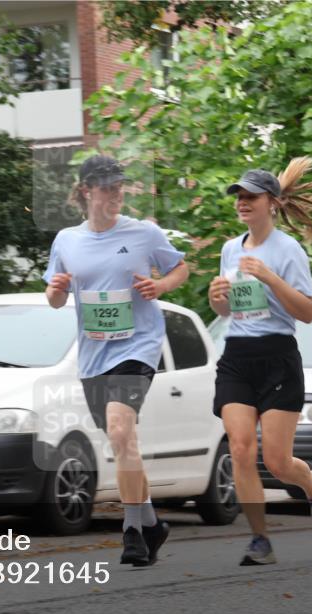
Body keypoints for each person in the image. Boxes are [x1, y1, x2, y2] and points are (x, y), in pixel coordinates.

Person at [44, 155, 189, 566]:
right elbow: (55, 300)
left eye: (119, 186)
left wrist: (160, 284)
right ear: (86, 190)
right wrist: (56, 289)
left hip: (137, 346)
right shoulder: (67, 241)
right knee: (123, 442)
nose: (115, 194)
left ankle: (130, 533)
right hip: (93, 356)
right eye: (107, 187)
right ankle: (152, 524)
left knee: (120, 428)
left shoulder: (144, 233)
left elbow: (181, 268)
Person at [208, 157, 312, 565]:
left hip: (278, 356)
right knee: (241, 449)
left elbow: (306, 312)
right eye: (239, 197)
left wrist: (269, 278)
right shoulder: (231, 249)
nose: (242, 203)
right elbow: (229, 310)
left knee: (277, 462)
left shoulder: (288, 251)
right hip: (237, 357)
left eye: (251, 197)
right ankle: (260, 539)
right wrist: (218, 300)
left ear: (271, 202)